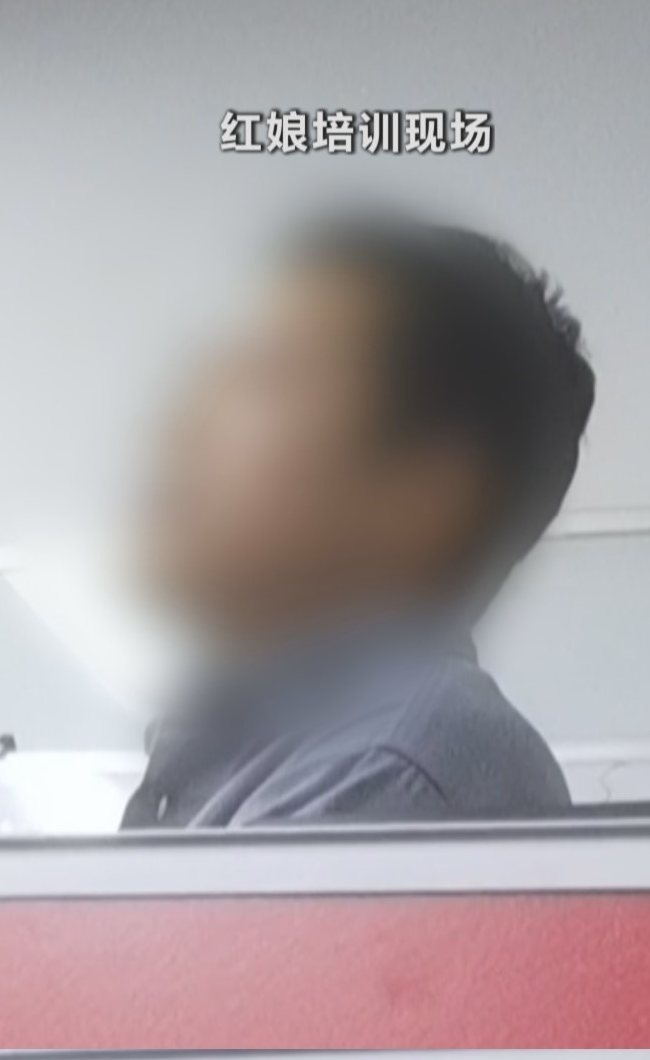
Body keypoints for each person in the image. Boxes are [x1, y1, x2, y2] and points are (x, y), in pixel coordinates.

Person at [125, 212, 594, 828]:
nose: (185, 422)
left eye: (269, 376)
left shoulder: (390, 764)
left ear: (426, 495)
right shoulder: (278, 744)